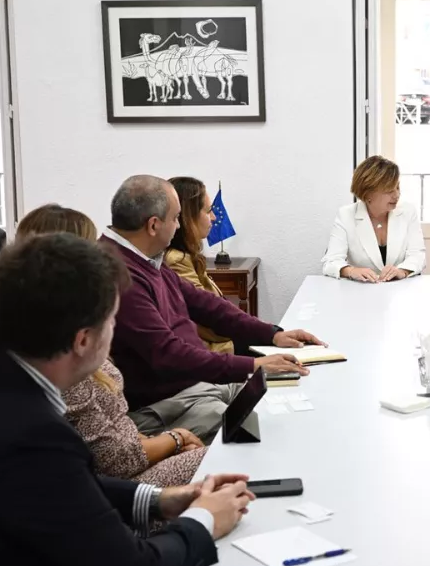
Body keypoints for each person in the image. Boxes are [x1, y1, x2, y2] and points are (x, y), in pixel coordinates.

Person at [0, 233, 254, 566]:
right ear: (84, 340)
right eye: (112, 322)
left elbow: (56, 487)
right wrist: (205, 520)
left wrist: (159, 499)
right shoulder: (32, 433)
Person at [104, 175, 322, 443]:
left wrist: (273, 334)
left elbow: (208, 306)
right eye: (176, 219)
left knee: (286, 401)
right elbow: (167, 354)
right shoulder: (119, 273)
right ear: (153, 225)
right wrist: (253, 364)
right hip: (169, 403)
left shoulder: (146, 260)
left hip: (195, 387)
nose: (179, 227)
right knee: (264, 433)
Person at [17, 203, 206, 487]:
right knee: (223, 456)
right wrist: (175, 440)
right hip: (118, 489)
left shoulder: (61, 327)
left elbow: (114, 432)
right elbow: (115, 461)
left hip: (132, 454)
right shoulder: (62, 353)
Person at [321, 155, 426, 282]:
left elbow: (418, 255)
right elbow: (331, 261)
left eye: (397, 187)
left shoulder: (408, 212)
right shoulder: (346, 215)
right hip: (360, 292)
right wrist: (351, 271)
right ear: (368, 193)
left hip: (399, 291)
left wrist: (402, 271)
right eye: (389, 190)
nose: (397, 195)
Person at [165, 176, 234, 354]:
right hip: (213, 353)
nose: (213, 217)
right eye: (208, 211)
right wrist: (244, 333)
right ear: (189, 216)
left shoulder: (188, 256)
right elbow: (206, 320)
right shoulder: (176, 261)